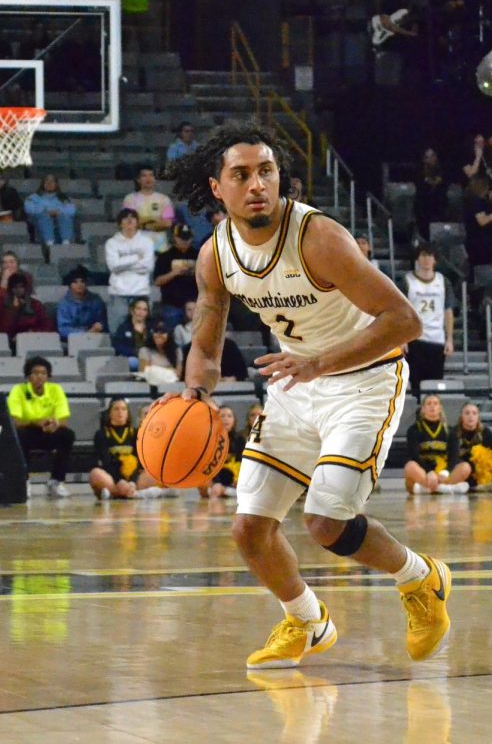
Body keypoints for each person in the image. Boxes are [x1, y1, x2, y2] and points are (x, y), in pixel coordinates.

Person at [163, 122, 450, 671]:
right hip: (296, 385)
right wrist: (195, 394)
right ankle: (308, 621)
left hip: (365, 378)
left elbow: (404, 320)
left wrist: (319, 362)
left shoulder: (318, 238)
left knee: (325, 522)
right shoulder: (214, 257)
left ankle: (422, 579)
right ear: (217, 188)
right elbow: (206, 343)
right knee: (249, 528)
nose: (257, 185)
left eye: (266, 171)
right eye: (241, 174)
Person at [6, 356, 76, 498]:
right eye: (35, 373)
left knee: (68, 435)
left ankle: (55, 481)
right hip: (28, 429)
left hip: (48, 431)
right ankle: (23, 481)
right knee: (19, 435)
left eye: (43, 373)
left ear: (48, 376)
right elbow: (15, 421)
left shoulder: (56, 390)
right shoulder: (18, 390)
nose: (40, 376)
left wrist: (54, 425)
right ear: (28, 376)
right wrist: (36, 422)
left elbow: (63, 417)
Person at [400, 245, 455, 396]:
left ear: (435, 260)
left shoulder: (443, 281)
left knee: (434, 384)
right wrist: (402, 339)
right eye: (423, 255)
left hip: (437, 339)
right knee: (414, 382)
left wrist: (449, 339)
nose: (426, 259)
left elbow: (448, 311)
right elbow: (400, 311)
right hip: (414, 339)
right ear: (417, 258)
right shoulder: (407, 280)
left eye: (430, 255)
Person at [89, 398, 163, 500]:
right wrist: (119, 480)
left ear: (128, 413)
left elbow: (139, 460)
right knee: (95, 474)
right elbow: (106, 462)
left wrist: (132, 481)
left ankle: (116, 493)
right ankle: (128, 493)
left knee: (155, 473)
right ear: (109, 413)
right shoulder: (101, 434)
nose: (120, 412)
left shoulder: (135, 433)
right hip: (113, 478)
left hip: (134, 478)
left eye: (124, 409)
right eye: (116, 409)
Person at [403, 395, 466, 495]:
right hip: (423, 472)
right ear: (423, 409)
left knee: (465, 467)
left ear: (440, 408)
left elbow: (454, 456)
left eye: (435, 403)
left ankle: (426, 489)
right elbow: (414, 456)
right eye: (429, 403)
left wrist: (446, 471)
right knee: (410, 466)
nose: (432, 406)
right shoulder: (414, 430)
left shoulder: (450, 431)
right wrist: (429, 472)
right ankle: (443, 489)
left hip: (442, 473)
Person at [105, 208, 156, 331]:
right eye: (125, 218)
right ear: (119, 223)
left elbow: (148, 266)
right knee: (117, 331)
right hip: (118, 293)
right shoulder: (111, 243)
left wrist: (123, 262)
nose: (129, 220)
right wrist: (136, 257)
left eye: (132, 218)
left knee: (142, 330)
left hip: (140, 292)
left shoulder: (147, 242)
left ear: (137, 222)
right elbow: (113, 266)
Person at [454, 401, 492, 489]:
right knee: (465, 468)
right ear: (461, 417)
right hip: (463, 472)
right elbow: (452, 459)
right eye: (467, 413)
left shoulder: (486, 432)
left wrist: (483, 462)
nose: (471, 416)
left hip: (482, 475)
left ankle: (484, 486)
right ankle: (456, 485)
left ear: (478, 417)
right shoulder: (454, 433)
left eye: (474, 413)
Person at [153, 223, 199, 331]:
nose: (185, 241)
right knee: (171, 334)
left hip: (195, 304)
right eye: (182, 238)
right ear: (175, 237)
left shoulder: (199, 255)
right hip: (172, 305)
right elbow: (157, 281)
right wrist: (174, 273)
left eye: (187, 238)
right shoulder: (164, 257)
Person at [123, 165, 176, 252]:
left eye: (151, 175)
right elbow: (130, 221)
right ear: (138, 180)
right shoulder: (130, 199)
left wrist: (143, 222)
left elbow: (167, 223)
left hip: (160, 247)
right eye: (144, 175)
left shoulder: (164, 199)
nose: (148, 178)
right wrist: (154, 220)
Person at [199, 406, 247, 499]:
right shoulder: (208, 439)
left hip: (233, 480)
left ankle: (226, 491)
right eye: (222, 416)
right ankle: (220, 491)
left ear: (234, 420)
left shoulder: (240, 440)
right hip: (214, 479)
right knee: (203, 486)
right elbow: (208, 466)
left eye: (229, 416)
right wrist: (216, 483)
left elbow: (241, 464)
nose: (226, 419)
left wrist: (239, 480)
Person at [0, 272, 52, 344]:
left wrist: (32, 332)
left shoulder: (36, 305)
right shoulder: (1, 307)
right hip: (9, 343)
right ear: (10, 289)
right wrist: (13, 310)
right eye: (15, 287)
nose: (18, 290)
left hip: (34, 340)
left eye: (21, 287)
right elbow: (0, 330)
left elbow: (47, 326)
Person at [55, 265, 108, 340]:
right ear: (70, 285)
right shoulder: (64, 304)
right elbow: (63, 329)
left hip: (96, 338)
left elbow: (102, 321)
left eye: (82, 281)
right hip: (72, 340)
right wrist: (86, 332)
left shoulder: (96, 301)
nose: (79, 285)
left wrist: (98, 327)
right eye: (75, 282)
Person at [24, 174, 77, 247]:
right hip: (40, 226)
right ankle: (49, 243)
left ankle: (66, 242)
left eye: (52, 181)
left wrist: (59, 212)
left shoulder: (64, 198)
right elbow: (30, 210)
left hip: (59, 223)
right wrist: (47, 212)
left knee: (65, 216)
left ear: (56, 184)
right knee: (45, 216)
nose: (49, 183)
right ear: (43, 183)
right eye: (47, 181)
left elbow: (72, 211)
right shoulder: (33, 198)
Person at [413, 148, 448, 240]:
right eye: (428, 157)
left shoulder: (441, 170)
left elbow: (440, 182)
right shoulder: (420, 172)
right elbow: (425, 183)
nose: (431, 159)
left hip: (439, 208)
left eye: (433, 155)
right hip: (424, 209)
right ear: (424, 159)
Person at [112, 297, 151, 372]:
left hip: (150, 358)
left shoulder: (151, 328)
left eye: (144, 310)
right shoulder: (123, 327)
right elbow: (118, 346)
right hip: (132, 357)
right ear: (132, 310)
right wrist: (136, 352)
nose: (141, 312)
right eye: (138, 308)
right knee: (131, 362)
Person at [138, 321, 181, 386]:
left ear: (169, 334)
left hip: (171, 386)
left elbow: (178, 374)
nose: (158, 335)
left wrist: (154, 369)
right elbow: (145, 372)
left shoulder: (177, 351)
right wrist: (168, 370)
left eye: (163, 332)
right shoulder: (144, 350)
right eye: (156, 331)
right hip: (149, 386)